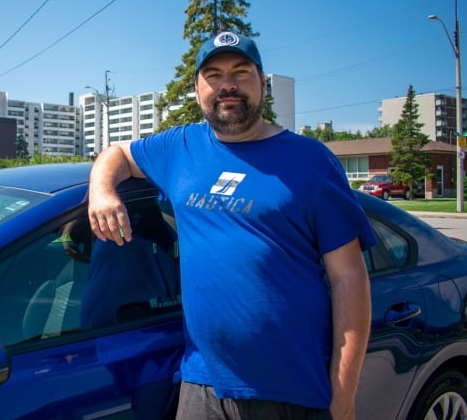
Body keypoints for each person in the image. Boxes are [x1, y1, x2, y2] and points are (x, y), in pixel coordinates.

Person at [87, 30, 376, 420]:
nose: (228, 85)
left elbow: (349, 279)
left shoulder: (311, 161)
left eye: (241, 72)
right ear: (197, 87)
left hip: (293, 390)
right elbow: (117, 152)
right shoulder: (180, 148)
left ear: (262, 83)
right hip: (203, 384)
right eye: (214, 74)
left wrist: (343, 393)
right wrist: (102, 190)